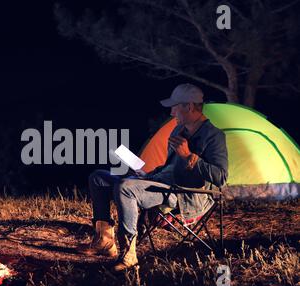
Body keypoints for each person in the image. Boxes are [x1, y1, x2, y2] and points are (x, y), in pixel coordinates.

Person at [78, 83, 228, 272]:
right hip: (161, 183)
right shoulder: (177, 131)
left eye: (175, 107)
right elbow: (170, 168)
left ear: (189, 107)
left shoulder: (214, 136)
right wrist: (148, 175)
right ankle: (105, 241)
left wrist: (189, 156)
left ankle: (129, 254)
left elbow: (221, 177)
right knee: (99, 177)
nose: (172, 113)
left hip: (184, 192)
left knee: (125, 187)